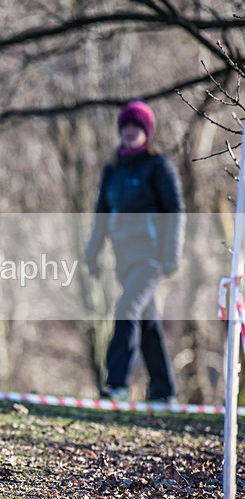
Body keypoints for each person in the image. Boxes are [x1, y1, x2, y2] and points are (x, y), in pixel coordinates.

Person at [85, 99, 185, 403]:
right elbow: (102, 215)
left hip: (153, 258)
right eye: (125, 126)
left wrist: (171, 255)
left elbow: (175, 211)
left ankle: (117, 383)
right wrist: (93, 253)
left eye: (136, 127)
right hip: (125, 259)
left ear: (146, 132)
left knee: (126, 310)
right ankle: (163, 390)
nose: (130, 132)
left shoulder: (158, 166)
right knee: (147, 322)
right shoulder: (112, 170)